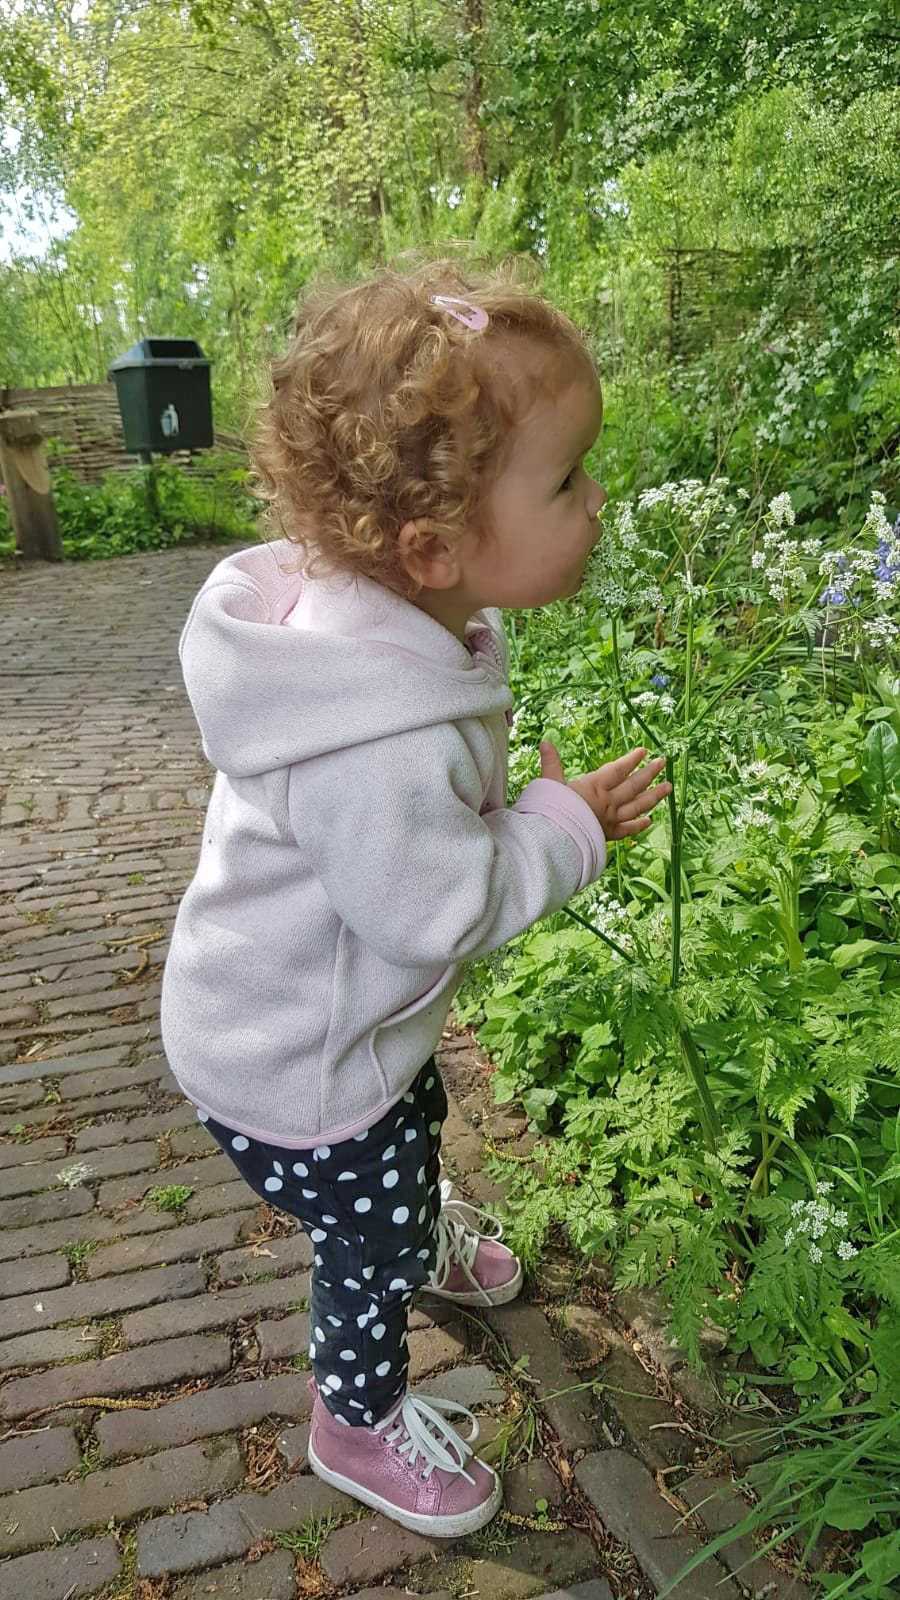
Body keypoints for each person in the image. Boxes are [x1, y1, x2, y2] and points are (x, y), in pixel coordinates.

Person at [160, 258, 671, 1539]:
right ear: (435, 547)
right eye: (568, 479)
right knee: (365, 1236)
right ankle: (357, 1414)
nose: (597, 500)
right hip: (300, 1071)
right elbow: (435, 909)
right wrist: (565, 826)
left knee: (413, 1112)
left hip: (325, 1026)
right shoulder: (372, 736)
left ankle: (413, 1221)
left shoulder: (388, 627)